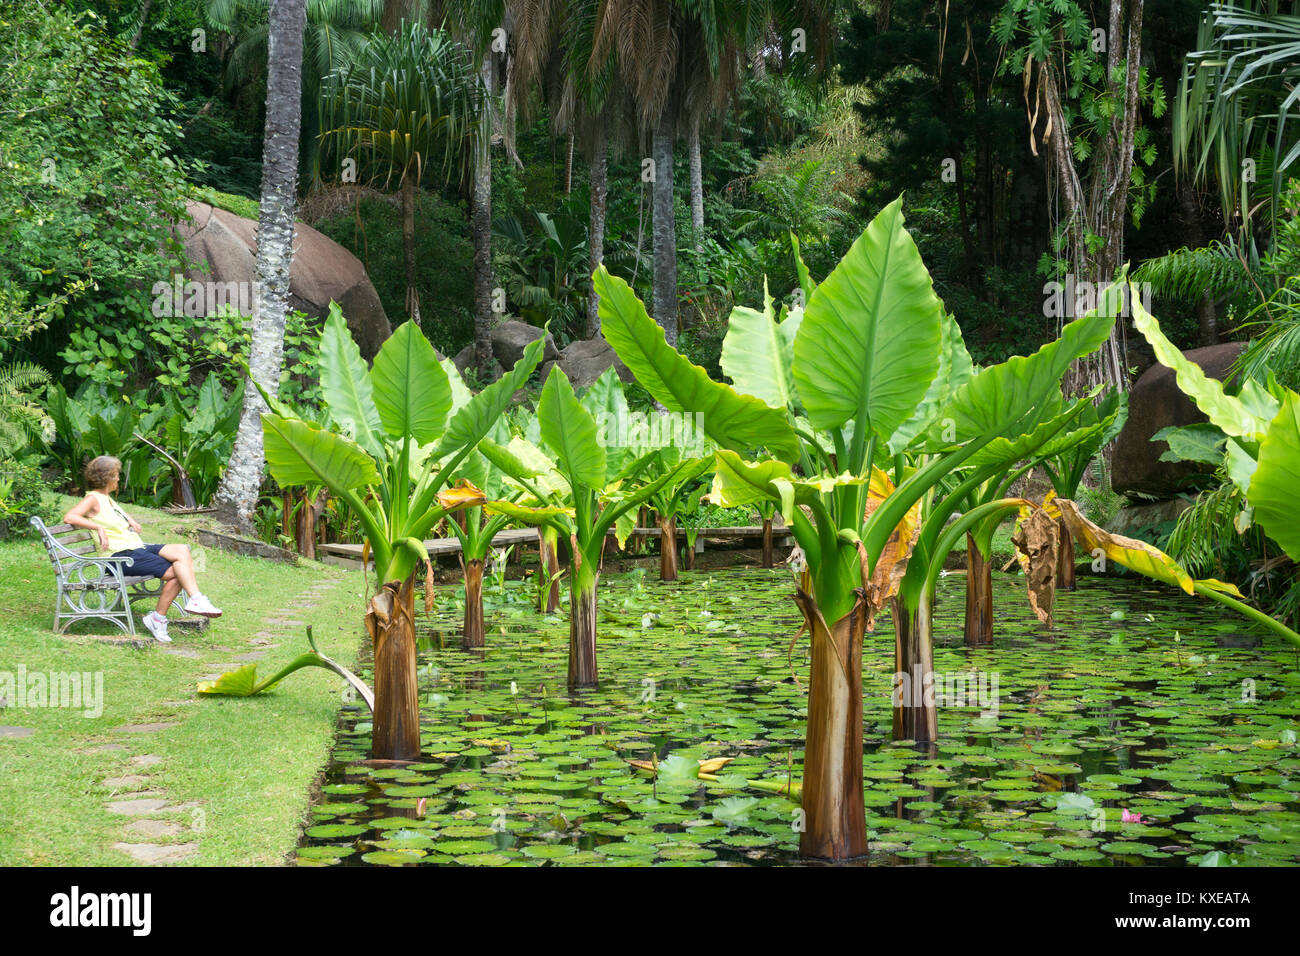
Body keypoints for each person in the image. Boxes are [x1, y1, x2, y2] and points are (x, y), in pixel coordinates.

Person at [63, 455, 222, 642]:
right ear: (106, 477)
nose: (119, 479)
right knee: (178, 571)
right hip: (119, 557)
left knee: (182, 551)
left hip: (135, 548)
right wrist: (97, 527)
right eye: (116, 475)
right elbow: (70, 517)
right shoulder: (93, 498)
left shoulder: (107, 499)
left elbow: (113, 515)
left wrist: (129, 519)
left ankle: (195, 598)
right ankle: (159, 618)